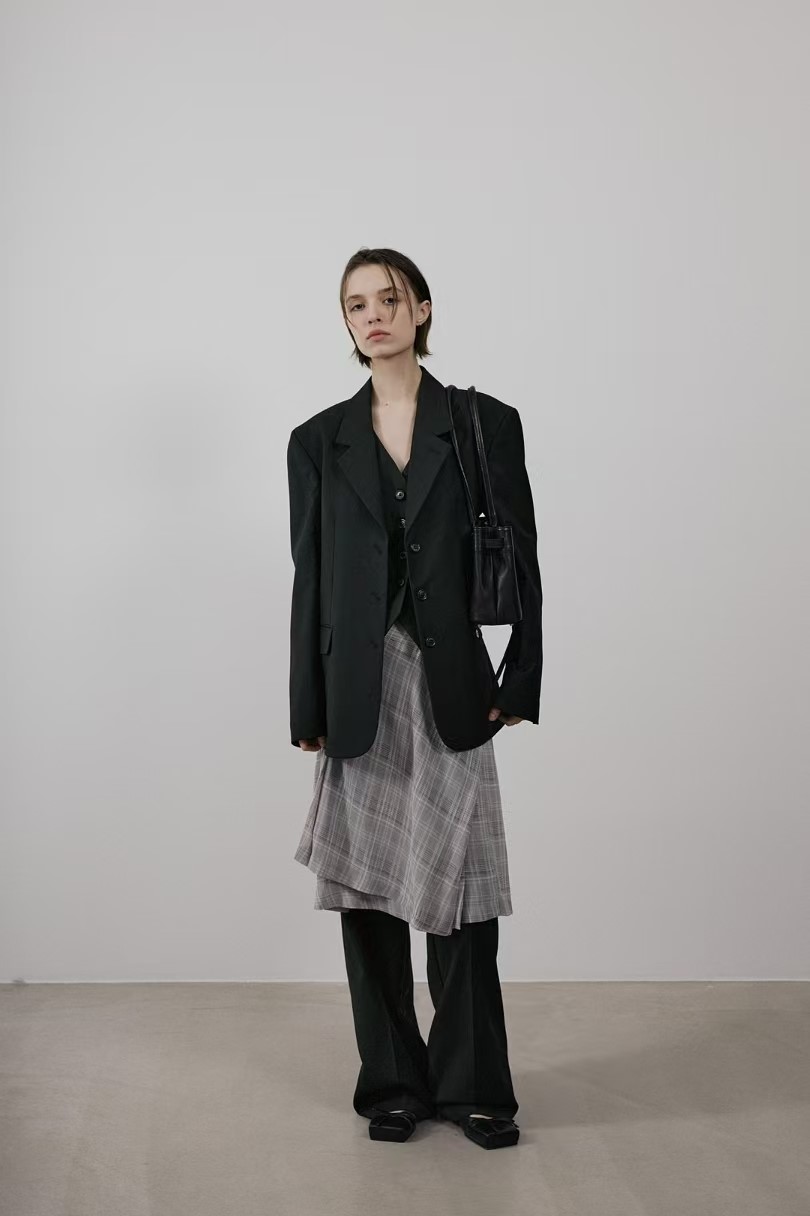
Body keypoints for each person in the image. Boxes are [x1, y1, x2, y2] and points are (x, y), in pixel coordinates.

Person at [286, 247, 543, 1149]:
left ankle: (475, 1086)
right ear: (347, 323)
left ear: (422, 309)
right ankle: (393, 1084)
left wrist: (519, 678)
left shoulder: (482, 423)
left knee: (462, 892)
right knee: (367, 893)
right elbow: (310, 576)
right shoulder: (317, 440)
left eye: (389, 298)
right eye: (356, 304)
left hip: (451, 683)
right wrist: (306, 704)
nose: (374, 315)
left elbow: (522, 554)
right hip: (358, 688)